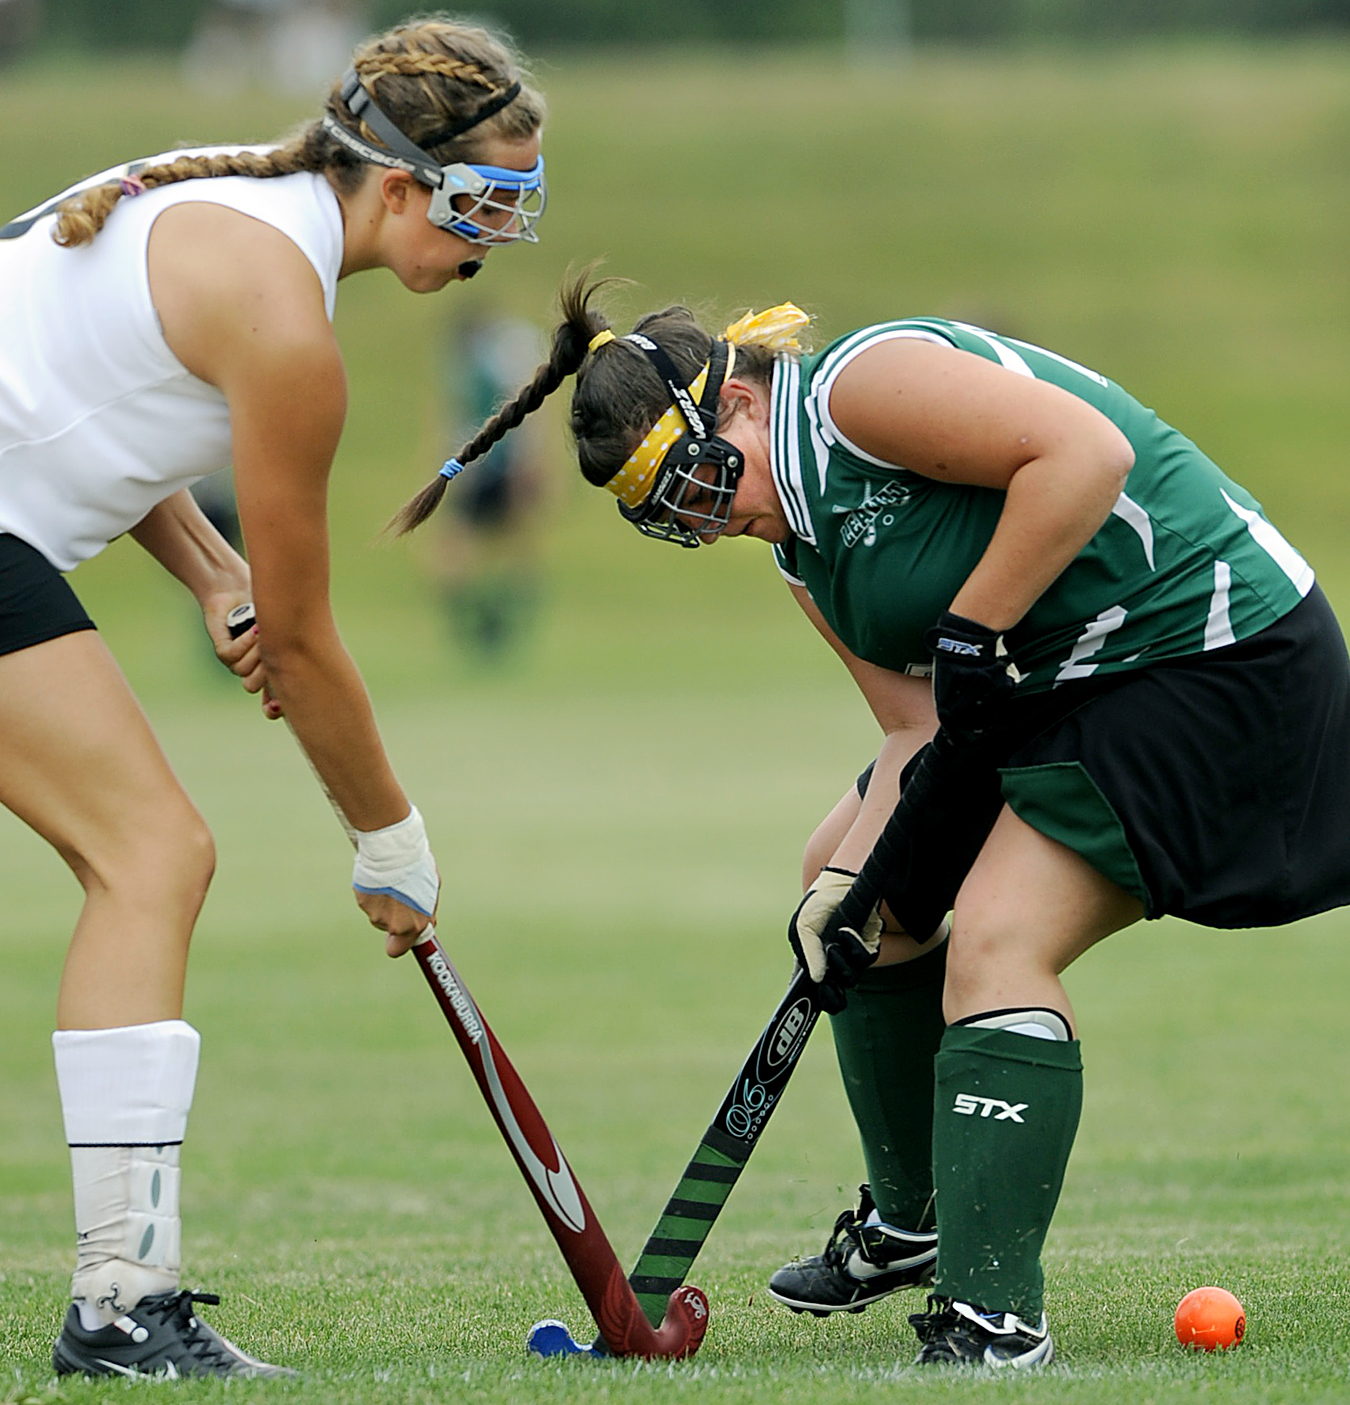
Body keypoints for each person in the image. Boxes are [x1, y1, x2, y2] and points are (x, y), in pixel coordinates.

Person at [392, 273, 1350, 1369]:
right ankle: (914, 1220)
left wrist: (974, 626)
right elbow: (915, 730)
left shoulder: (862, 388)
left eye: (703, 483)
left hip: (1214, 650)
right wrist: (848, 888)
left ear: (738, 402)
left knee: (1000, 937)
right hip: (1061, 683)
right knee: (850, 891)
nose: (713, 521)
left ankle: (996, 1319)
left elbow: (1090, 457)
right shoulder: (798, 544)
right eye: (677, 518)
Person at [0, 15, 545, 1379]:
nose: (496, 240)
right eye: (487, 203)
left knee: (147, 852)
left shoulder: (223, 205)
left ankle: (123, 1302)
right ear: (402, 183)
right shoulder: (287, 326)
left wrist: (207, 568)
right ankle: (122, 1306)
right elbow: (301, 648)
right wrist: (388, 838)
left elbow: (83, 403)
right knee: (151, 853)